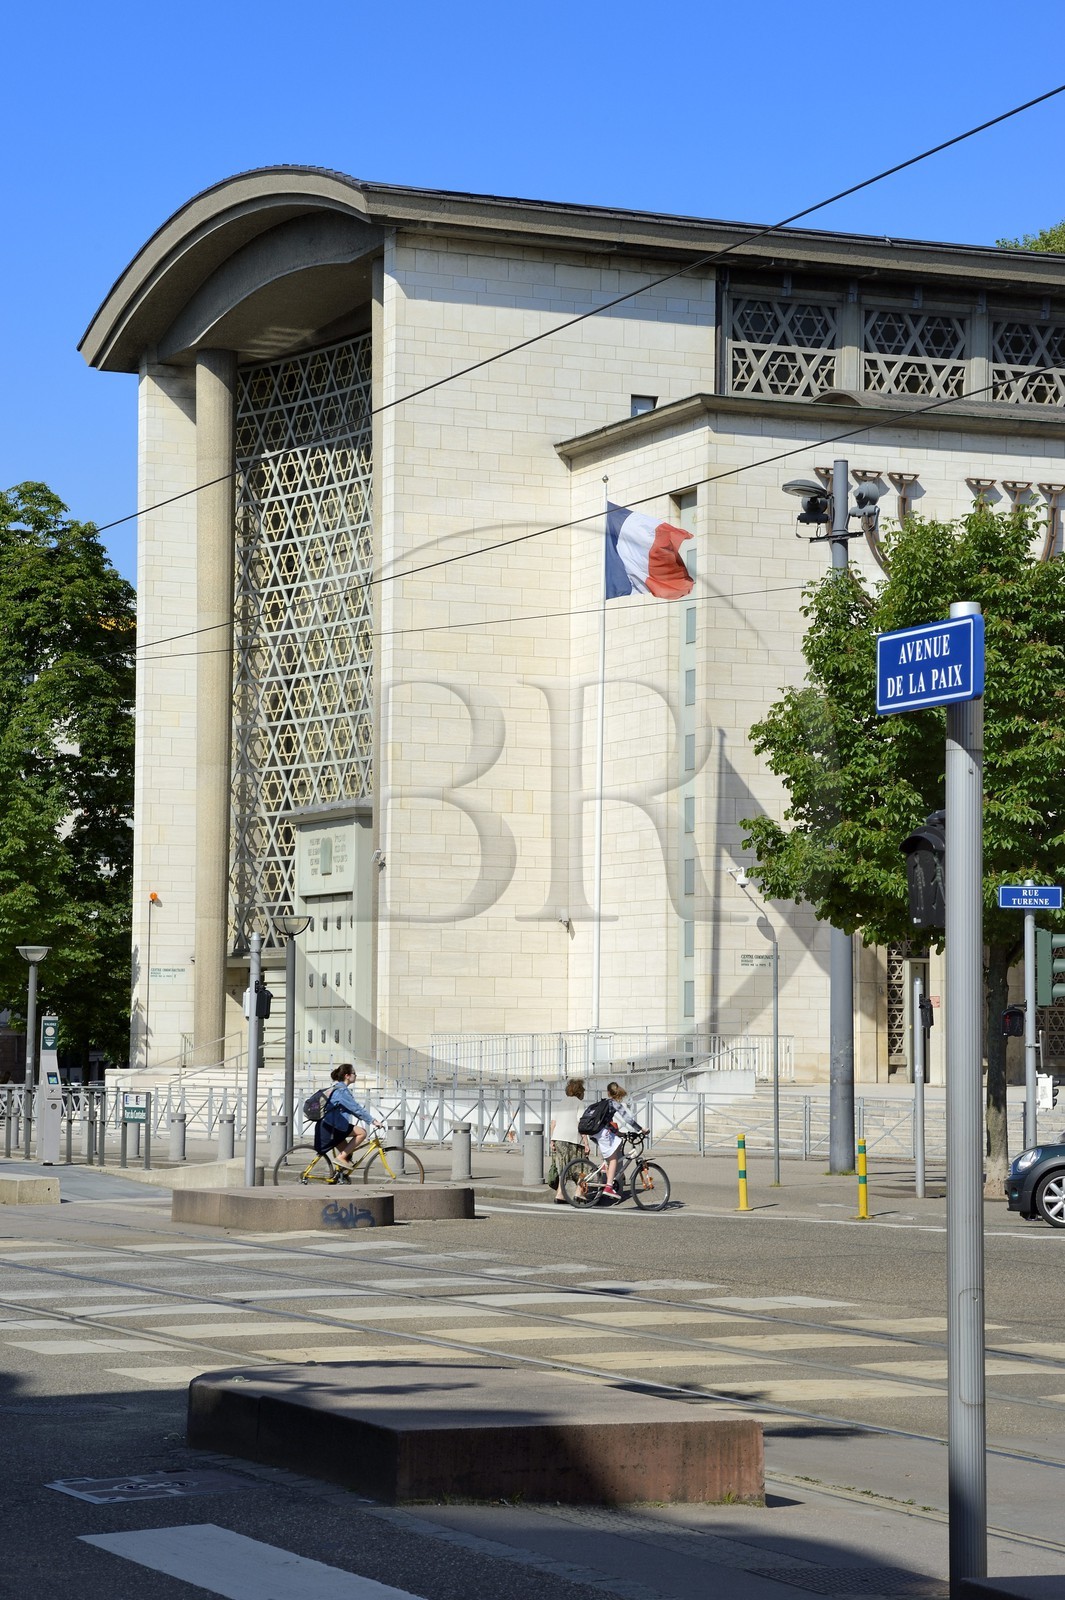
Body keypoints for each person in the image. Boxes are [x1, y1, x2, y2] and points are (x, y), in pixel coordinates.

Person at [315, 1064, 382, 1172]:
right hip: (333, 1127)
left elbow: (352, 1109)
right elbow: (356, 1109)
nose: (356, 1075)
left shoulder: (336, 1088)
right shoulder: (342, 1091)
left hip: (328, 1125)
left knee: (348, 1155)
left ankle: (339, 1177)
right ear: (347, 1076)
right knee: (362, 1133)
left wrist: (362, 1117)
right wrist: (373, 1121)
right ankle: (340, 1158)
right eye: (354, 1073)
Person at [596, 1080, 645, 1199]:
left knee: (616, 1141)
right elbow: (627, 1118)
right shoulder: (613, 1103)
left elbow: (606, 1123)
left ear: (608, 1092)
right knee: (615, 1151)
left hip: (595, 1131)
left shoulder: (604, 1103)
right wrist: (640, 1129)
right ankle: (608, 1186)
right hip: (602, 1133)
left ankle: (604, 1167)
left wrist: (619, 1133)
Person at [549, 1078, 588, 1203]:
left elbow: (553, 1123)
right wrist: (586, 1143)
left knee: (563, 1167)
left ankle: (559, 1194)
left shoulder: (561, 1103)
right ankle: (579, 1193)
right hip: (573, 1139)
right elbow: (580, 1124)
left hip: (558, 1137)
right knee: (581, 1167)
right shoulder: (579, 1104)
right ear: (580, 1091)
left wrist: (552, 1140)